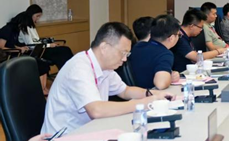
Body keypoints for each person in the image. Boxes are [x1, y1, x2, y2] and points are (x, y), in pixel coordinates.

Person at [42, 22, 173, 134]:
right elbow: (96, 110)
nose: (124, 59)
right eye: (123, 53)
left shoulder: (105, 67)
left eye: (127, 54)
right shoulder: (79, 67)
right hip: (64, 139)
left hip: (89, 131)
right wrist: (142, 104)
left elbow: (125, 91)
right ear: (104, 47)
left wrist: (151, 94)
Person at [0, 14, 52, 94]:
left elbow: (11, 44)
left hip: (15, 54)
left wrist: (21, 47)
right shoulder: (7, 29)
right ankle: (41, 90)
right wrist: (19, 49)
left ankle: (44, 88)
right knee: (37, 63)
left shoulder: (15, 30)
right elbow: (1, 47)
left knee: (42, 63)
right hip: (7, 56)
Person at [129, 14, 181, 89]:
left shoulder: (138, 46)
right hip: (149, 93)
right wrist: (170, 78)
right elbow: (161, 84)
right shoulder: (165, 54)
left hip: (133, 92)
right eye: (179, 35)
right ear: (171, 38)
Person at [16, 4, 74, 69]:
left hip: (41, 49)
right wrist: (49, 45)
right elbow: (32, 45)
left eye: (39, 16)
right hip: (35, 52)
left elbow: (37, 40)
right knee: (62, 52)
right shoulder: (23, 28)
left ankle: (69, 70)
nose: (38, 18)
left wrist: (48, 43)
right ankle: (67, 71)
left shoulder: (31, 26)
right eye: (37, 16)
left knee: (65, 50)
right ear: (31, 14)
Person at [171, 9, 224, 73]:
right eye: (200, 27)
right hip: (184, 73)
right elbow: (196, 57)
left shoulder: (187, 35)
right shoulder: (179, 37)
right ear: (191, 26)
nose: (201, 30)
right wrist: (218, 51)